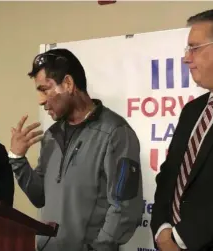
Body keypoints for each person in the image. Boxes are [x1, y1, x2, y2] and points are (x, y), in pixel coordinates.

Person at [8, 48, 143, 251]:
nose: (41, 100)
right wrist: (17, 158)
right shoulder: (51, 136)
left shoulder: (115, 132)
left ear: (68, 84)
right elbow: (40, 197)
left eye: (45, 89)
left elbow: (125, 209)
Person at [151, 8, 213, 251]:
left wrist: (180, 239)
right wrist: (162, 230)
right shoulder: (192, 110)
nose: (186, 58)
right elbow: (168, 176)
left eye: (194, 48)